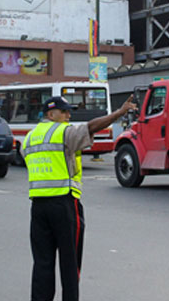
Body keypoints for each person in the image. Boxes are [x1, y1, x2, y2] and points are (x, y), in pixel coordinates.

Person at [22, 95, 136, 301]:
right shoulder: (63, 132)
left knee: (42, 263)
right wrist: (119, 113)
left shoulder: (29, 138)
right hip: (64, 204)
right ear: (50, 114)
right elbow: (91, 127)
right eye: (64, 111)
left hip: (38, 207)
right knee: (70, 263)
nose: (68, 115)